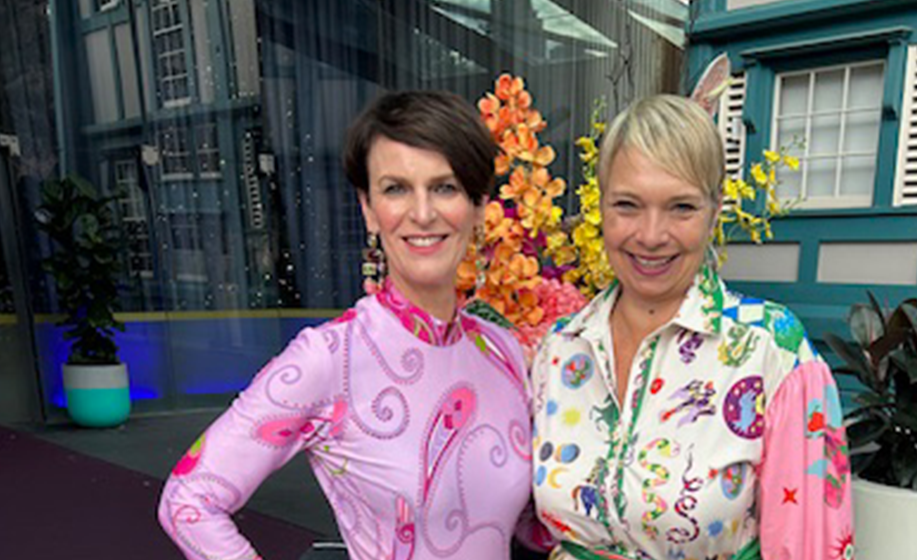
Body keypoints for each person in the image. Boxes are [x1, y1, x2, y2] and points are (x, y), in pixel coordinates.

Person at [158, 91, 534, 560]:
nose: (422, 213)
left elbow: (526, 525)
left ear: (478, 207)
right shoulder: (330, 358)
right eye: (396, 189)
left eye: (445, 188)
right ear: (369, 209)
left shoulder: (502, 352)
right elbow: (188, 501)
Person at [529, 95, 854, 560]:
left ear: (715, 209)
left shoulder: (771, 348)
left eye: (681, 207)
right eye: (627, 205)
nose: (651, 235)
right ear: (601, 207)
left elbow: (811, 546)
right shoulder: (560, 348)